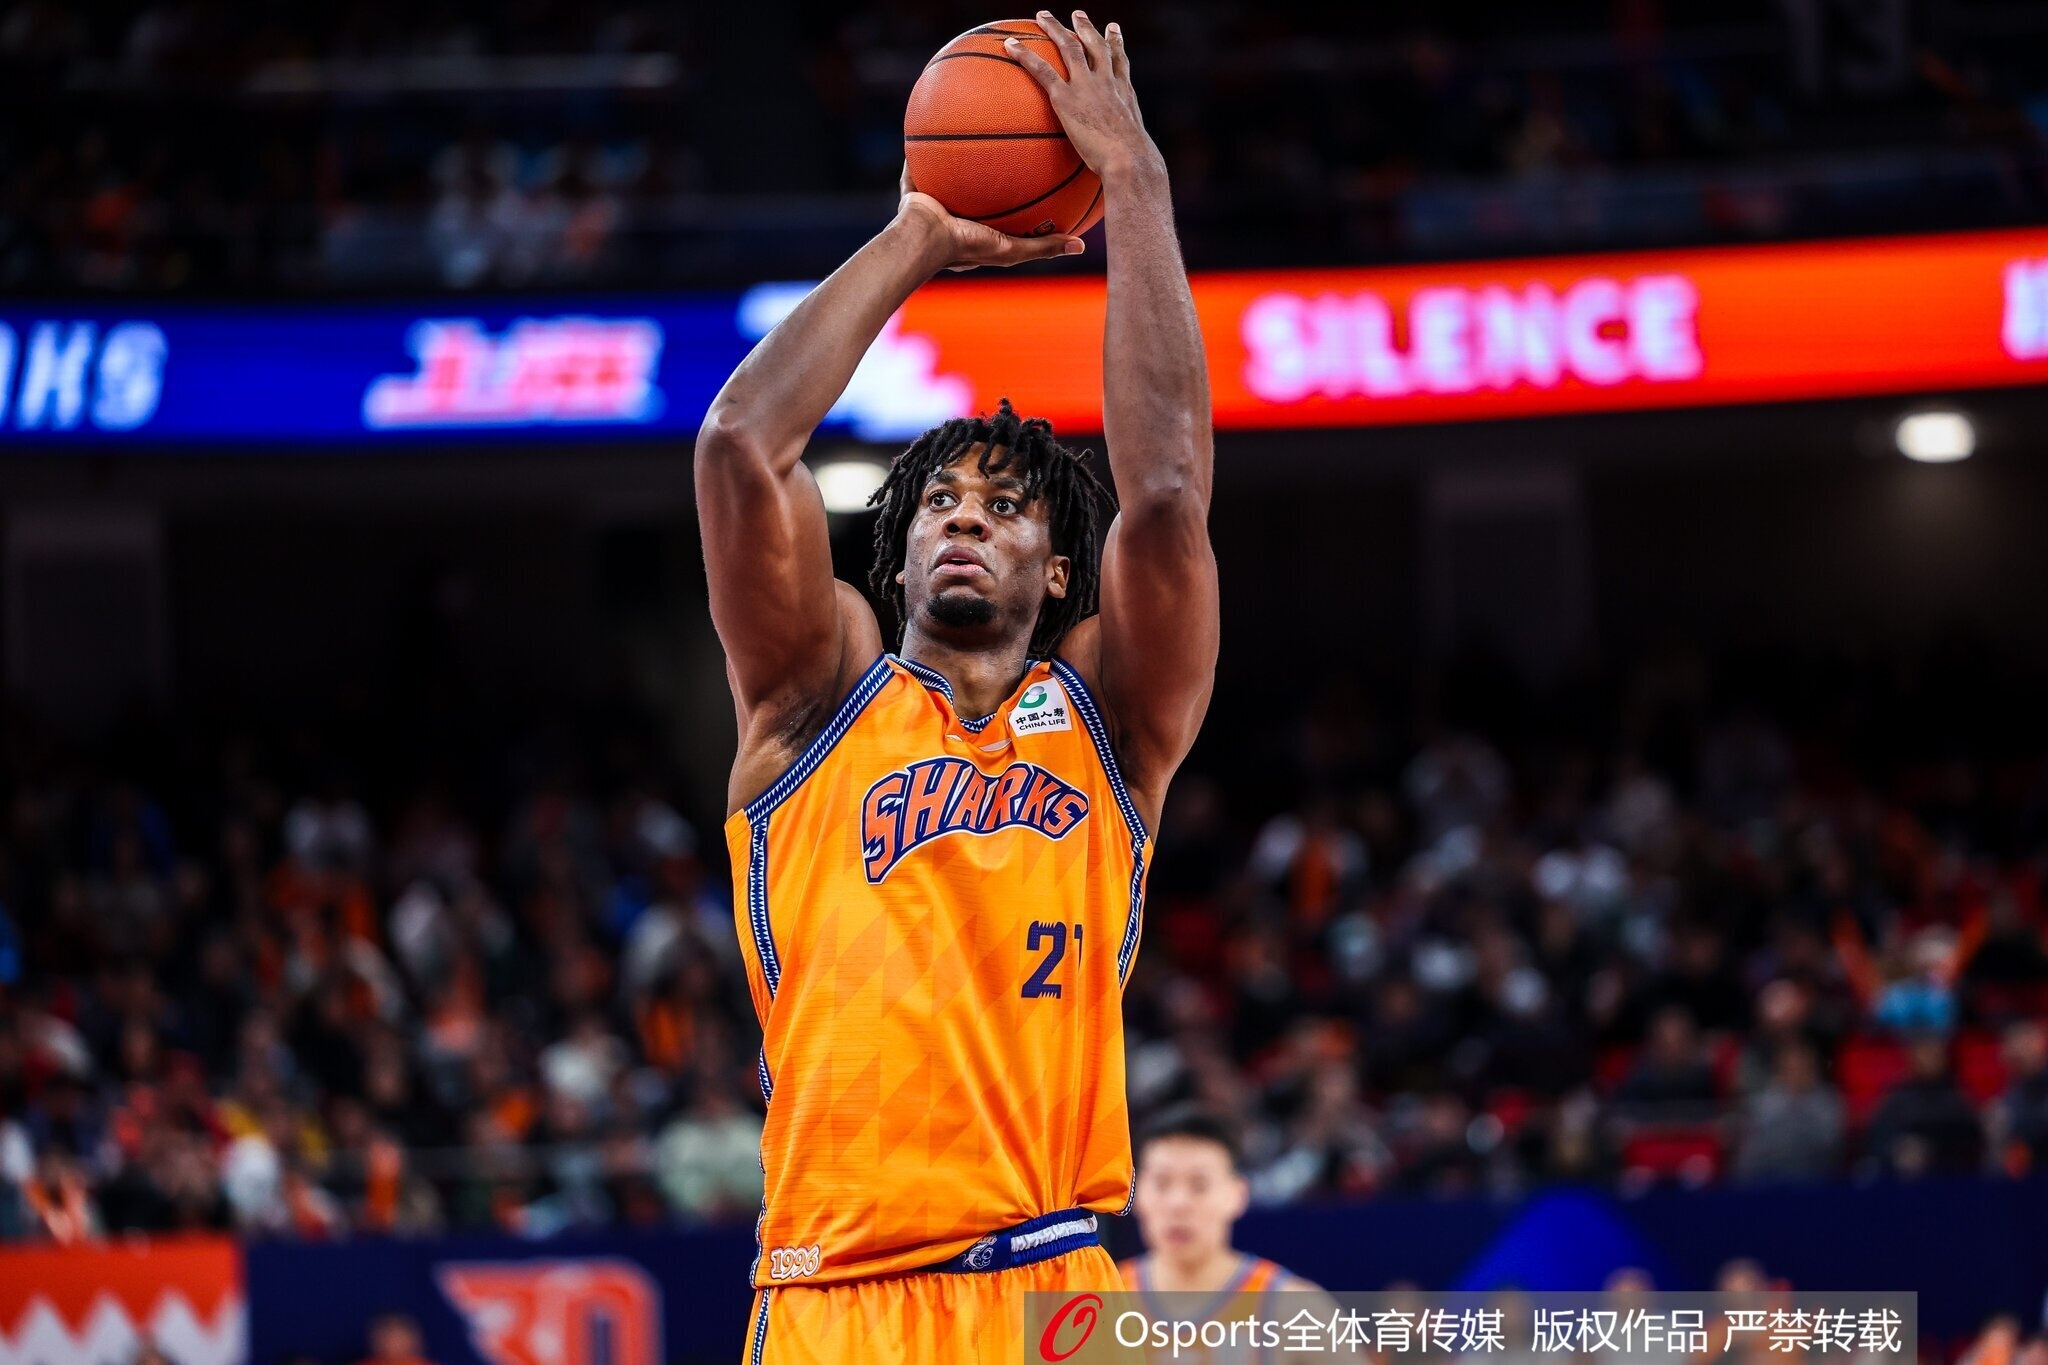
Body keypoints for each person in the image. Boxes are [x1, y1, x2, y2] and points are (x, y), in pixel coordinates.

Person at [695, 11, 1218, 1363]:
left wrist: (1135, 183)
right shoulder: (815, 698)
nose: (967, 517)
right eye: (938, 503)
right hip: (833, 1295)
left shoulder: (1109, 721)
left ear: (1059, 569)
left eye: (1004, 505)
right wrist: (918, 235)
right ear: (901, 549)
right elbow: (741, 447)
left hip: (1055, 1290)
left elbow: (1166, 498)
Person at [1119, 1107, 1323, 1362]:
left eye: (1199, 1185)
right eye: (1161, 1183)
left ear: (1237, 1194)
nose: (1178, 1203)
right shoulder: (1103, 1300)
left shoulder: (1292, 1307)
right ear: (1135, 1193)